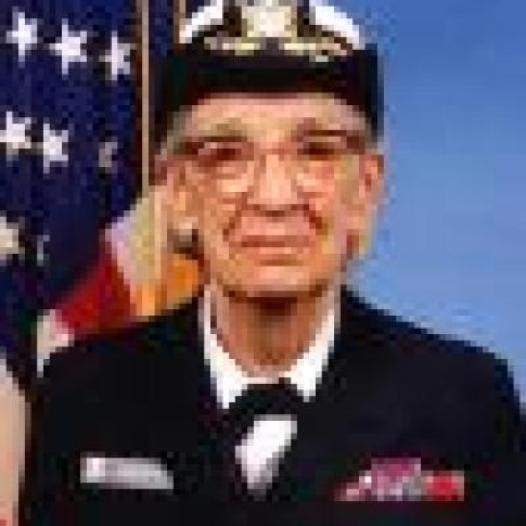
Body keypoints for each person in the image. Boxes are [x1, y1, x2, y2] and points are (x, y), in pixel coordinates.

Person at [22, 0, 525, 524]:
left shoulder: (463, 401)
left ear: (366, 188)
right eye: (227, 155)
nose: (274, 197)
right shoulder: (84, 395)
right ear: (178, 192)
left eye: (316, 152)